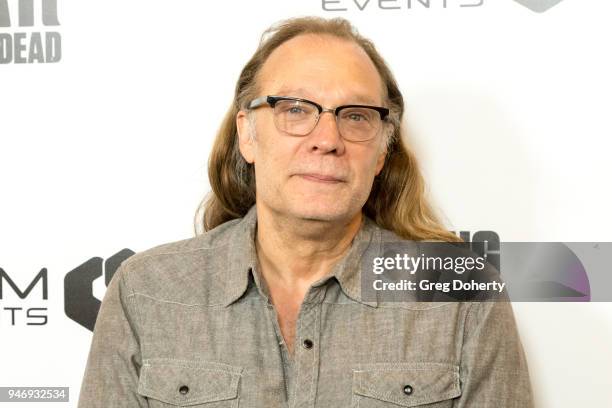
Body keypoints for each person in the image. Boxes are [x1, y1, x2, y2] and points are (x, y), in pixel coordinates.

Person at [78, 16, 534, 407]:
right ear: (248, 134)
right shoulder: (145, 292)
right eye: (295, 109)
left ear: (380, 151)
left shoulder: (461, 296)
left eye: (356, 116)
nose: (328, 139)